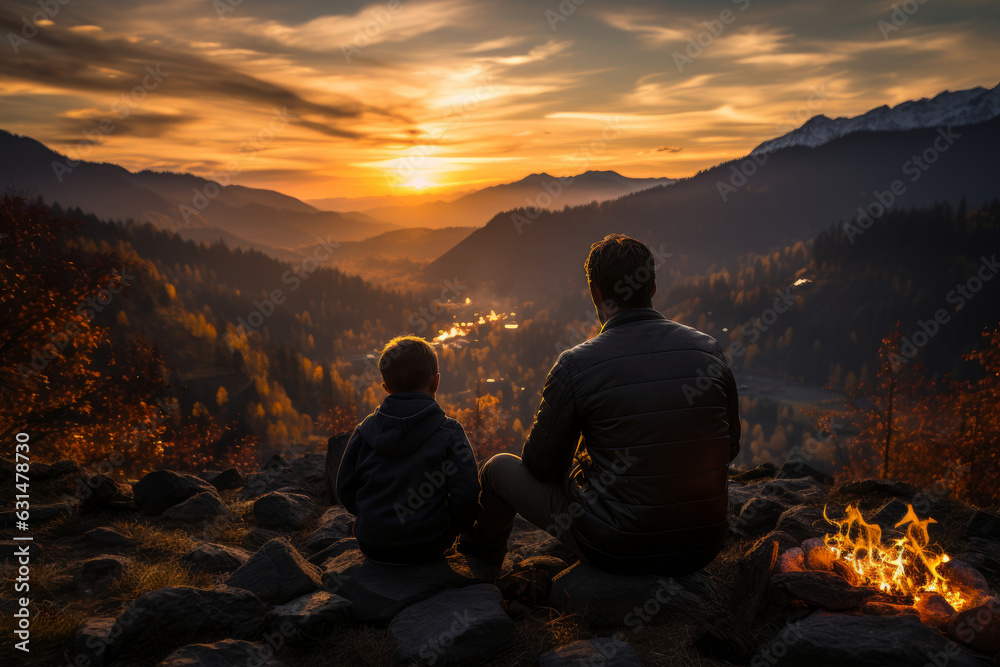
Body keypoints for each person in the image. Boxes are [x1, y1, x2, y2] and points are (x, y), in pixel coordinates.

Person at [459, 233, 741, 574]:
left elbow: (540, 467)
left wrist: (586, 463)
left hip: (619, 546)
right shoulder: (708, 349)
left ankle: (478, 567)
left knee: (497, 469)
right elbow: (731, 447)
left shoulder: (577, 365)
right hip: (704, 543)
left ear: (596, 293)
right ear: (652, 287)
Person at [338, 335, 481, 564]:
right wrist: (458, 527)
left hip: (373, 544)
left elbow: (345, 488)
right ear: (436, 382)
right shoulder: (449, 432)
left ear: (386, 388)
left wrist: (372, 518)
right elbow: (466, 493)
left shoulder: (365, 430)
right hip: (430, 544)